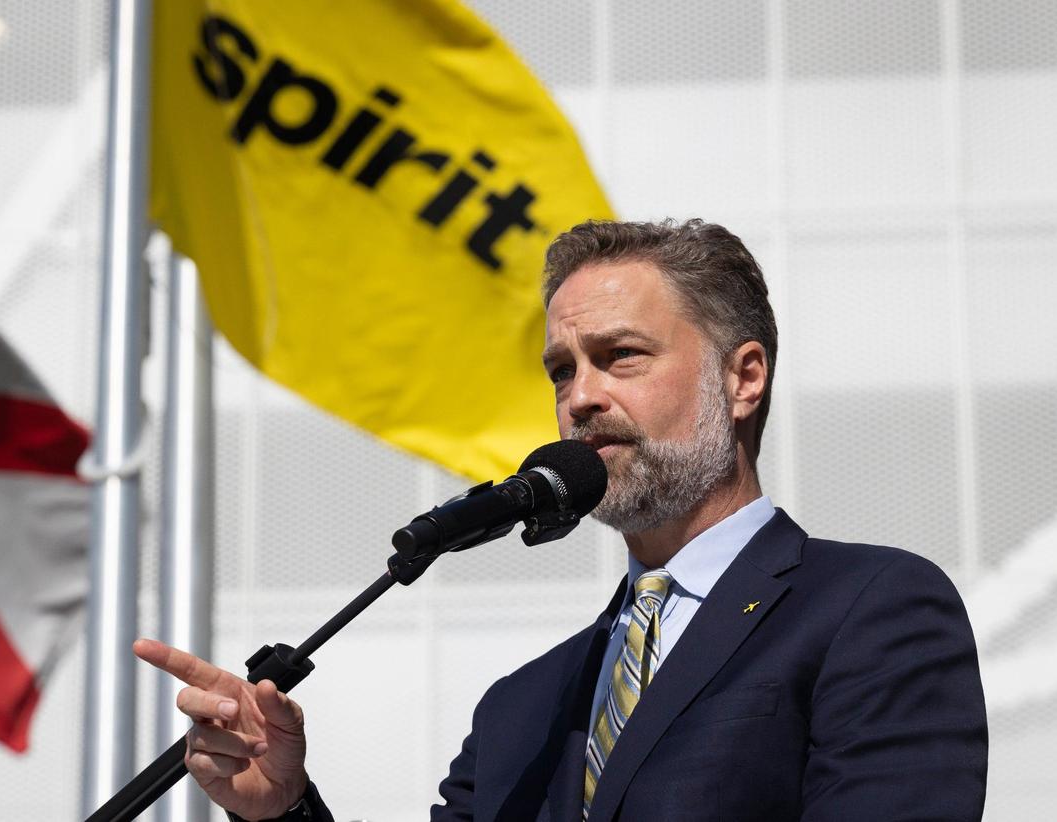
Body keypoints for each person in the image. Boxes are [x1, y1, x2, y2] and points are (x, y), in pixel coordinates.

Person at [135, 218, 988, 821]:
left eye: (620, 356)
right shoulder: (522, 708)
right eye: (561, 370)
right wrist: (284, 809)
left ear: (743, 378)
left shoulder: (870, 608)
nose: (580, 396)